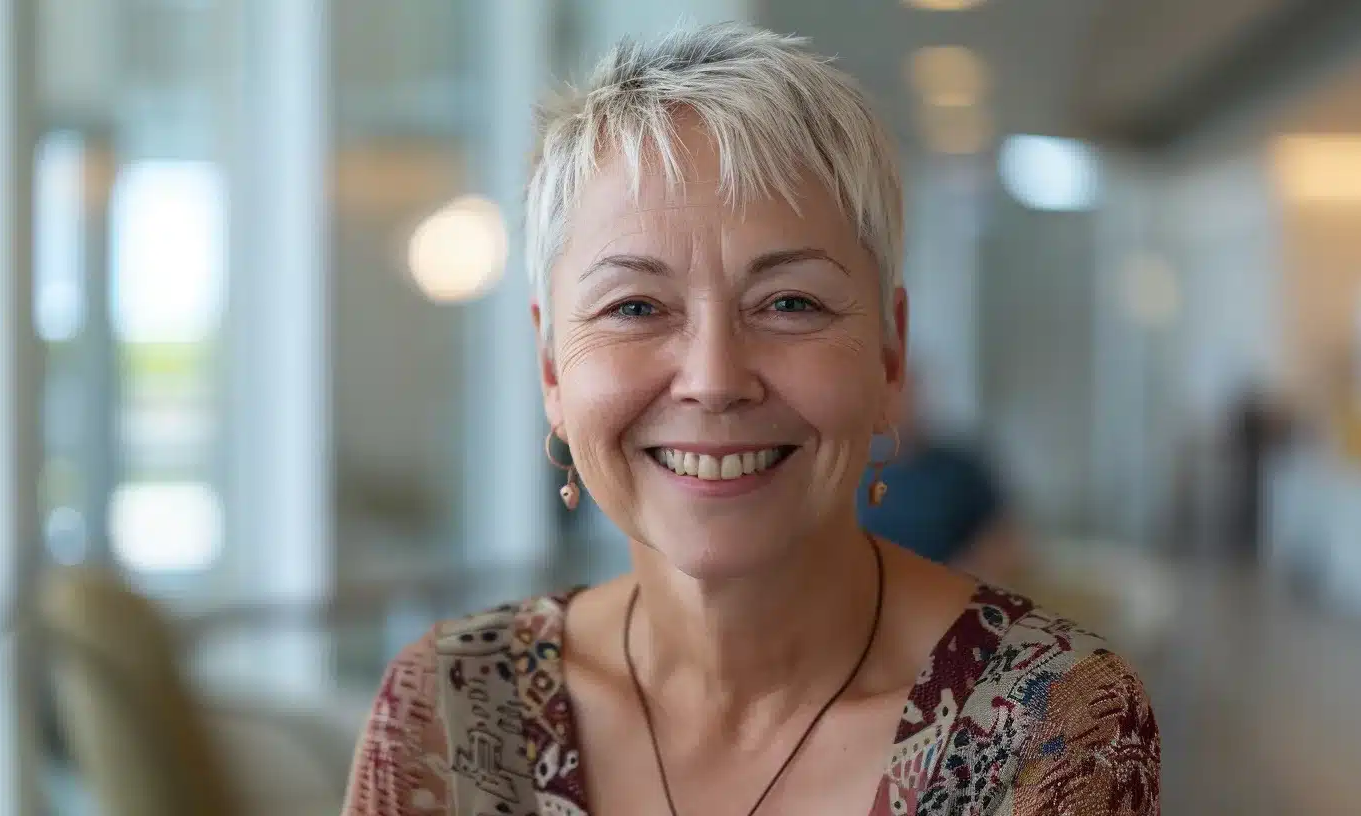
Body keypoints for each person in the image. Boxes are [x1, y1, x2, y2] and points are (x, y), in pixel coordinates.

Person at [343, 24, 1159, 816]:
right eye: (635, 306)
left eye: (790, 303)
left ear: (888, 354)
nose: (713, 379)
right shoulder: (451, 712)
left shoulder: (1048, 726)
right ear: (553, 369)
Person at [857, 374, 1026, 586]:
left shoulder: (960, 467)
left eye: (905, 394)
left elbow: (1006, 535)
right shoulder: (856, 471)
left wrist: (974, 571)